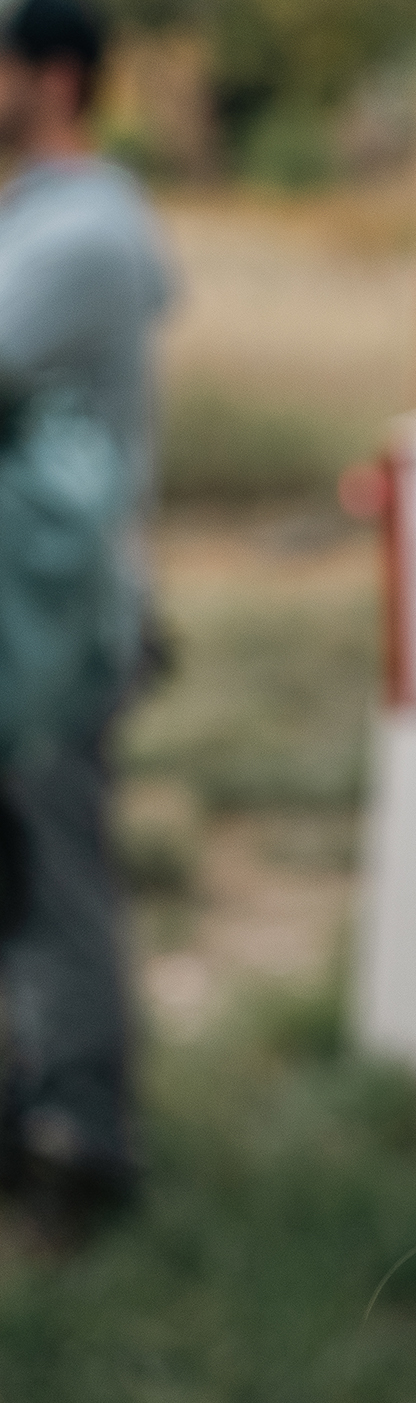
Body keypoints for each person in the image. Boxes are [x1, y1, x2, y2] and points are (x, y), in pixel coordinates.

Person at [0, 0, 173, 1240]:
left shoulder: (86, 231)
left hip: (54, 631)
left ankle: (86, 1150)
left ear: (53, 77)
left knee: (54, 875)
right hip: (24, 615)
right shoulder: (42, 218)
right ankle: (37, 1110)